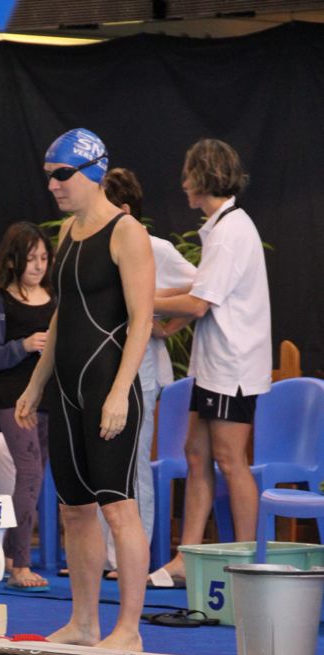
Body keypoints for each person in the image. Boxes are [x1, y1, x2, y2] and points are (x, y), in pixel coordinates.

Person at [15, 128, 154, 650]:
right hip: (68, 391)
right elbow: (62, 317)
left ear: (93, 171)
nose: (53, 184)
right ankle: (84, 623)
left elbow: (141, 321)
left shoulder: (126, 232)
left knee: (118, 507)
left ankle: (129, 630)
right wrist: (36, 383)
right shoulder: (68, 232)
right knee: (74, 509)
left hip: (108, 390)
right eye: (48, 175)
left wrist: (119, 392)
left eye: (62, 174)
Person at [151, 139, 271, 587]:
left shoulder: (231, 232)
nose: (183, 184)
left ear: (202, 179)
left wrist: (141, 301)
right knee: (196, 453)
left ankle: (248, 564)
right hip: (214, 365)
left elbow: (200, 303)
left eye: (188, 176)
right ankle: (187, 558)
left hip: (232, 367)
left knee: (229, 459)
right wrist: (161, 317)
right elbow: (201, 291)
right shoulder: (222, 227)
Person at [100, 168, 197, 577]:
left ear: (124, 210)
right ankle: (104, 554)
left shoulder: (154, 248)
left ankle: (129, 557)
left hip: (141, 369)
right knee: (102, 460)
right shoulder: (96, 245)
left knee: (134, 461)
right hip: (103, 364)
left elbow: (200, 287)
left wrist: (163, 321)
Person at [0, 222, 55, 590]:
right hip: (13, 397)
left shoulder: (56, 300)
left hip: (50, 396)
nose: (38, 266)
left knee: (36, 476)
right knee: (30, 472)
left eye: (44, 258)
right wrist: (23, 346)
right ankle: (21, 564)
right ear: (12, 261)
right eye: (31, 258)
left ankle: (7, 553)